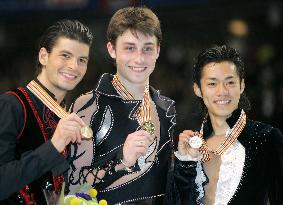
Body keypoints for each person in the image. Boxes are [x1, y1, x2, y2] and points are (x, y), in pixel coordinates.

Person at [67, 6, 177, 204]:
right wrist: (122, 161)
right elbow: (73, 184)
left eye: (147, 49)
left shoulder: (166, 107)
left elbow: (165, 185)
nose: (139, 58)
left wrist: (188, 160)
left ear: (158, 51)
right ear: (111, 49)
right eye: (129, 48)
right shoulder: (89, 106)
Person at [173, 45, 283, 205]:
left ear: (242, 86)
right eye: (212, 84)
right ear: (198, 89)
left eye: (230, 82)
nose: (222, 91)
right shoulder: (190, 148)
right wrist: (185, 163)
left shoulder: (266, 138)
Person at [0, 19, 93, 204]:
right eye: (65, 55)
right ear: (43, 56)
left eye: (81, 60)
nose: (74, 66)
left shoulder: (68, 114)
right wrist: (54, 145)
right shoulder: (11, 105)